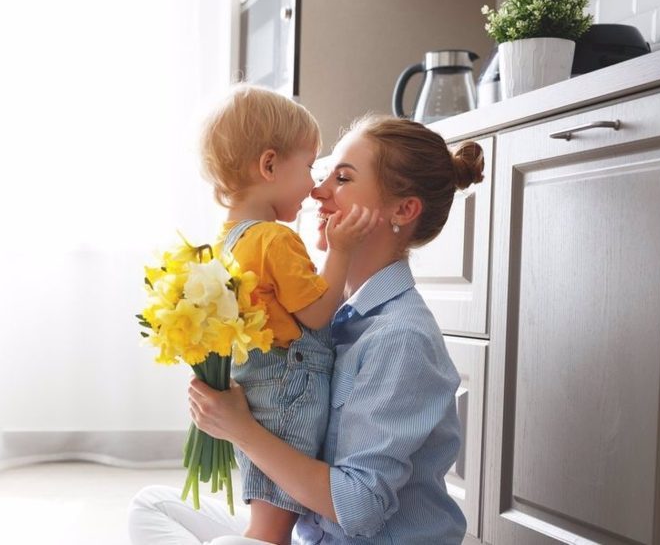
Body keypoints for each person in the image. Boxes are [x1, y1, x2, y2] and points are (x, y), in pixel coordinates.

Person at [128, 113, 484, 544]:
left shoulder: (400, 337)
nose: (318, 191)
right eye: (324, 174)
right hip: (311, 536)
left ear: (403, 210)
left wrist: (240, 427)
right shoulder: (329, 315)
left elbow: (357, 509)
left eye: (343, 178)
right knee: (153, 505)